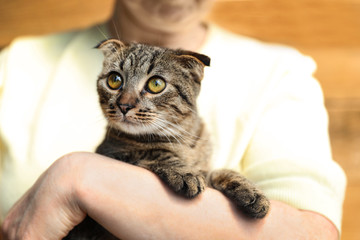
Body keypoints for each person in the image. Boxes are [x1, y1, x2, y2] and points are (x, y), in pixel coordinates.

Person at [0, 0, 346, 239]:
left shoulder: (281, 74)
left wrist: (78, 177)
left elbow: (311, 233)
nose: (125, 102)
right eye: (116, 82)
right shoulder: (14, 63)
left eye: (153, 85)